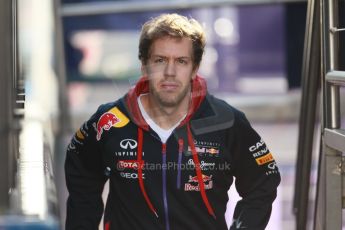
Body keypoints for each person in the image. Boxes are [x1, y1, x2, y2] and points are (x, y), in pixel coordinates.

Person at [65, 13, 281, 230]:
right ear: (144, 66)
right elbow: (81, 172)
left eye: (181, 61)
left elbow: (264, 180)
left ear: (194, 68)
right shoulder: (110, 121)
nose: (170, 72)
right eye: (160, 60)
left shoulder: (226, 121)